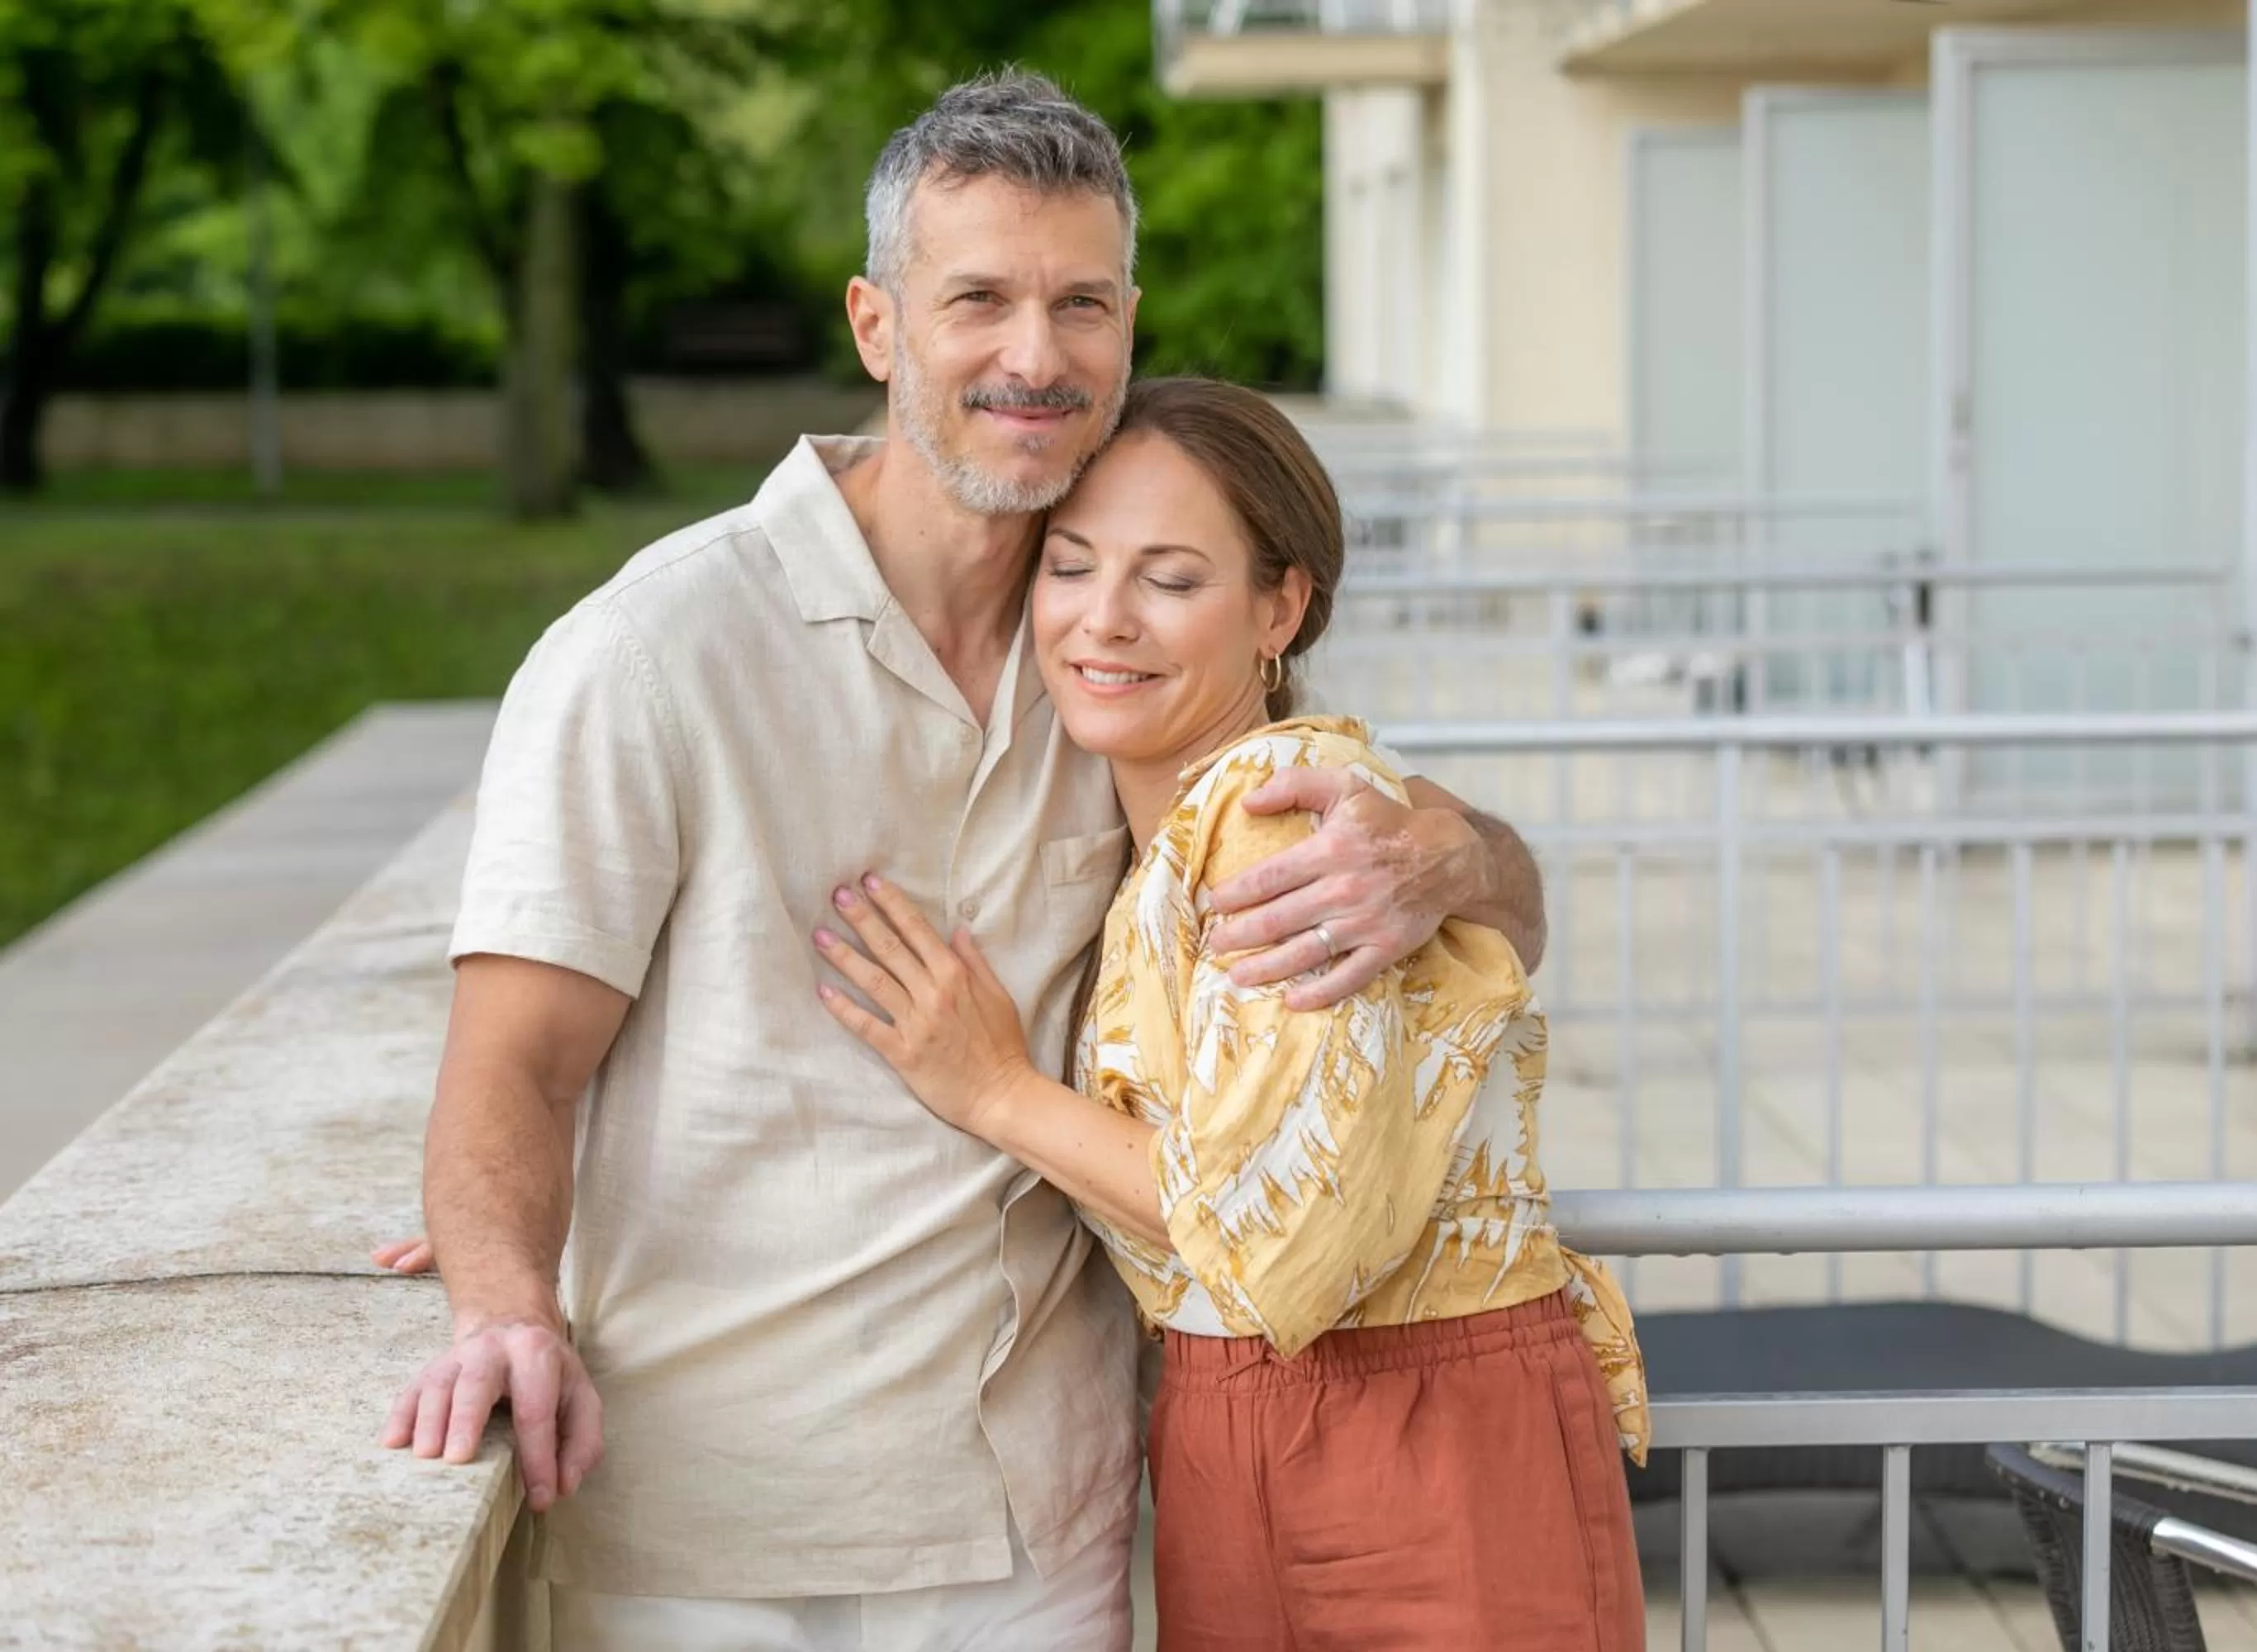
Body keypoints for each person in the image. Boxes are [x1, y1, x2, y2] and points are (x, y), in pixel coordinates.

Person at [376, 71, 1548, 1652]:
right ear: (877, 323)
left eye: (1080, 304)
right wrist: (503, 1294)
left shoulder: (1123, 664)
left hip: (1040, 1532)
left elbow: (1493, 898)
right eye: (978, 298)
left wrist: (1447, 857)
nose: (1034, 355)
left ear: (1129, 323)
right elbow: (509, 1069)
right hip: (708, 1531)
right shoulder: (652, 655)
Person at [815, 376, 1650, 1651]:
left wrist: (990, 1090)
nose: (1102, 620)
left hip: (1417, 1431)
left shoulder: (1284, 806)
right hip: (1228, 1428)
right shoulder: (1151, 823)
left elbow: (1274, 1236)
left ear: (1281, 604)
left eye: (1170, 579)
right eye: (1072, 565)